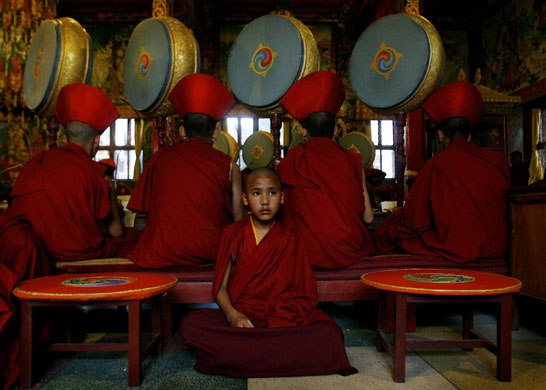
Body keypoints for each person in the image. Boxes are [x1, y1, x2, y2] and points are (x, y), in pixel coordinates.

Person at [179, 168, 356, 377]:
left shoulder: (291, 237)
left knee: (330, 334)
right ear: (245, 199)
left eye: (272, 193)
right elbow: (220, 288)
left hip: (282, 317)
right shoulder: (233, 233)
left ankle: (243, 357)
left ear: (282, 197)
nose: (264, 201)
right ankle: (279, 357)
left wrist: (281, 316)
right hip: (245, 316)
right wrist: (233, 315)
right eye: (256, 193)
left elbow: (303, 292)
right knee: (191, 324)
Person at [373, 81, 512, 263]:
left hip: (457, 247)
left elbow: (414, 219)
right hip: (497, 247)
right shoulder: (497, 161)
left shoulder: (436, 164)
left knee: (393, 228)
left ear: (440, 135)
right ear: (469, 135)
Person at [6, 83, 139, 262]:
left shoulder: (33, 165)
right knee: (134, 238)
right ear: (97, 140)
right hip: (81, 255)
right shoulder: (96, 173)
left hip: (36, 257)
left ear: (64, 137)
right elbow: (116, 231)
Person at [127, 73, 244, 268]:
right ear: (216, 133)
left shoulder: (159, 159)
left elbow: (142, 216)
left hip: (159, 254)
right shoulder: (229, 165)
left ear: (181, 131)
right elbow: (238, 220)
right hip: (211, 252)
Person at [276, 70, 375, 270]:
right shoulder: (353, 161)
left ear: (303, 130)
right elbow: (369, 217)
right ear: (336, 130)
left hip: (302, 255)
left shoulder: (290, 161)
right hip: (349, 252)